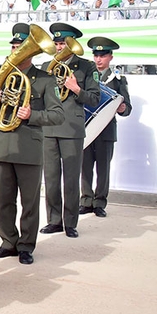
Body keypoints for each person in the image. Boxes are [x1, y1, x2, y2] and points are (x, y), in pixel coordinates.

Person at [0, 24, 64, 265]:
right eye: (13, 47)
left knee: (29, 202)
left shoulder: (45, 79)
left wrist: (32, 115)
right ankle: (8, 242)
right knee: (3, 201)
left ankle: (26, 245)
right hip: (3, 145)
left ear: (32, 52)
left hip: (29, 147)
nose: (16, 51)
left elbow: (58, 115)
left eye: (21, 47)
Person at [41, 23, 100, 239]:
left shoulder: (86, 67)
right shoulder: (46, 65)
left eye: (63, 44)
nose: (59, 47)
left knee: (71, 179)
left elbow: (94, 98)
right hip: (49, 128)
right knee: (51, 178)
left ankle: (70, 222)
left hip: (72, 128)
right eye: (57, 43)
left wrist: (76, 89)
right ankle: (54, 220)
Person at [81, 37, 131, 217]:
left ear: (110, 57)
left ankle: (99, 202)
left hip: (106, 131)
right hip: (87, 128)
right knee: (85, 167)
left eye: (102, 56)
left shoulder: (117, 79)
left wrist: (123, 108)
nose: (98, 59)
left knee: (103, 169)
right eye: (96, 55)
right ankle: (86, 200)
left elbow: (127, 107)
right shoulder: (86, 76)